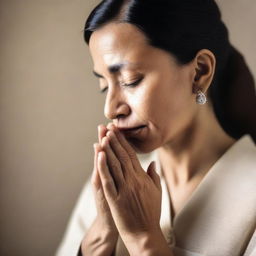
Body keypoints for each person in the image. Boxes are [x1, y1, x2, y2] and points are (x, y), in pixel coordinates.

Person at [56, 0, 256, 255]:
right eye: (105, 86)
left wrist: (144, 238)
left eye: (131, 80)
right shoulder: (113, 184)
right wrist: (101, 234)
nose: (110, 109)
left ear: (199, 72)